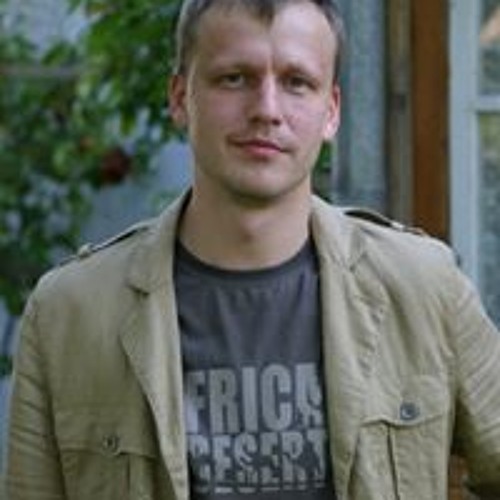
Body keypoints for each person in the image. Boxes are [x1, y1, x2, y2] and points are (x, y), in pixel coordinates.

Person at [4, 0, 500, 498]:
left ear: (331, 111)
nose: (267, 109)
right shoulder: (69, 312)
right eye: (234, 78)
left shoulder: (423, 288)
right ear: (180, 98)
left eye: (297, 82)